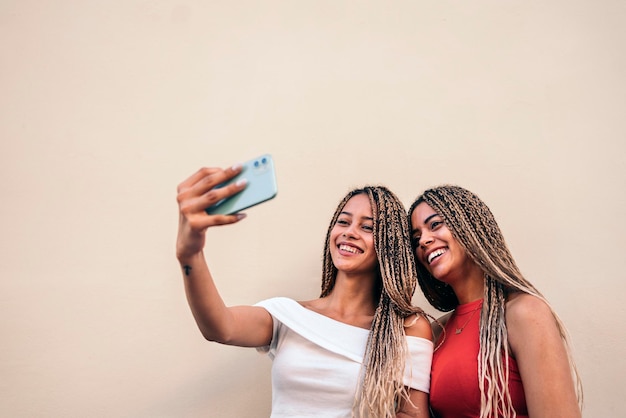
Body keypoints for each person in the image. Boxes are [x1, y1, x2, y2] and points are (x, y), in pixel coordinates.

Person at [175, 163, 434, 418]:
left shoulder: (406, 328)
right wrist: (190, 254)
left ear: (390, 246)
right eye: (343, 222)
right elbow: (220, 327)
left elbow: (411, 414)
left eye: (367, 227)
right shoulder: (288, 315)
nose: (349, 233)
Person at [407, 185, 584, 418]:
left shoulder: (524, 313)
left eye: (435, 225)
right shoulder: (436, 332)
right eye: (417, 237)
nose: (423, 241)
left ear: (468, 225)